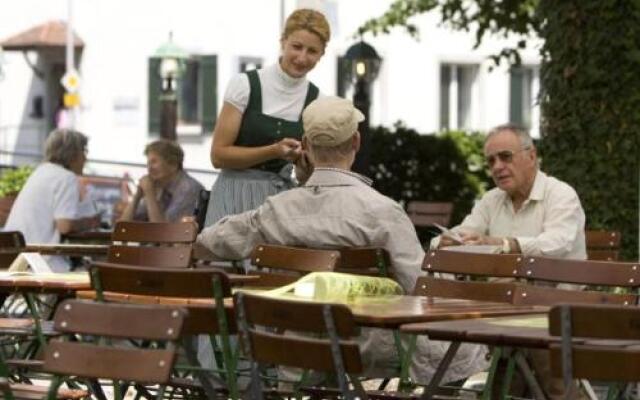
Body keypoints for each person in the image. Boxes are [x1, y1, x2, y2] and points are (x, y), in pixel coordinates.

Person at [196, 96, 488, 386]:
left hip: (293, 350)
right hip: (367, 350)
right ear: (356, 142)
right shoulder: (382, 211)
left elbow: (210, 241)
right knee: (473, 343)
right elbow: (417, 285)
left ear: (306, 146)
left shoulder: (277, 209)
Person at [433, 123, 587, 399]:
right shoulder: (492, 200)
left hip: (561, 307)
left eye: (505, 156)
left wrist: (506, 244)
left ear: (531, 155)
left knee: (519, 328)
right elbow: (466, 230)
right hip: (508, 306)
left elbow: (557, 243)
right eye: (491, 160)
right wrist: (447, 241)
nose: (497, 167)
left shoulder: (561, 194)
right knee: (514, 317)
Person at [203, 8, 330, 227]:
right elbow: (218, 156)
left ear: (321, 54)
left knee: (272, 260)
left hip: (278, 202)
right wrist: (273, 151)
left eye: (312, 51)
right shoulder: (244, 85)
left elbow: (306, 176)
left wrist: (303, 162)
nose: (302, 58)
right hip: (232, 195)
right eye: (297, 47)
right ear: (283, 42)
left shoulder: (317, 100)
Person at [4, 129, 101, 271]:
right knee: (92, 274)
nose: (86, 158)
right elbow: (65, 226)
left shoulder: (41, 172)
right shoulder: (66, 178)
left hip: (13, 260)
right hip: (39, 264)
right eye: (84, 151)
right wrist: (90, 222)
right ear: (73, 154)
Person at [120, 139, 203, 223]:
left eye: (154, 162)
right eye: (148, 163)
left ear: (173, 164)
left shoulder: (189, 189)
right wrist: (137, 196)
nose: (149, 168)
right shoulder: (159, 186)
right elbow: (123, 226)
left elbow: (163, 231)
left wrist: (149, 194)